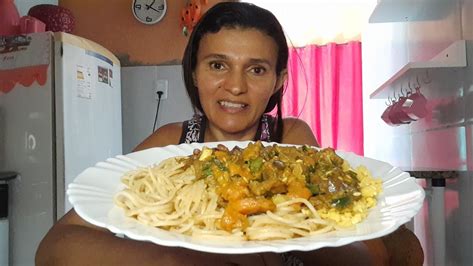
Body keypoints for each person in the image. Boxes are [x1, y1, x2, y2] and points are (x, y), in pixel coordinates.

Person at [36, 2, 389, 265]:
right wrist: (179, 260)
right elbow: (55, 247)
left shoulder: (290, 140)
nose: (235, 86)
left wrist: (291, 225)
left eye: (256, 69)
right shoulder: (168, 145)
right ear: (193, 72)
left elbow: (358, 257)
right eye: (218, 65)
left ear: (278, 80)